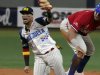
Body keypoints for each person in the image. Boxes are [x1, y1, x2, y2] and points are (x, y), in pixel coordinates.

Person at [19, 1, 65, 75]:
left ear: (32, 16)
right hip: (39, 57)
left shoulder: (38, 22)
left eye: (27, 14)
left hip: (52, 53)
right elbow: (25, 48)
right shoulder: (22, 32)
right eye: (23, 14)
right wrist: (26, 65)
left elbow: (49, 20)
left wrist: (48, 11)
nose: (24, 16)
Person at [60, 3, 100, 75]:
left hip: (80, 31)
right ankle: (71, 74)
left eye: (99, 14)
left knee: (91, 49)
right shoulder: (86, 17)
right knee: (81, 50)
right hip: (68, 26)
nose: (97, 15)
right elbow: (72, 31)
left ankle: (78, 71)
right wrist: (76, 46)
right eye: (97, 11)